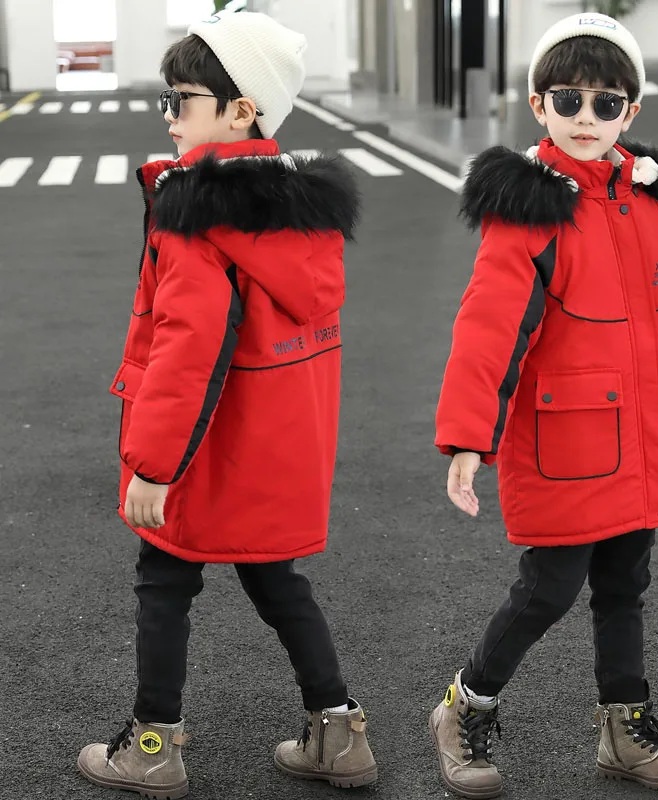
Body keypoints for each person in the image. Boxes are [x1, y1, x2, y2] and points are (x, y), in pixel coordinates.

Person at [430, 12, 658, 799]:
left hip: (643, 433)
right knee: (548, 589)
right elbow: (489, 330)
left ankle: (625, 729)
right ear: (538, 105)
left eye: (606, 103)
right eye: (568, 100)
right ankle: (464, 706)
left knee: (626, 585)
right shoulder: (529, 211)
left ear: (631, 111)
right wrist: (469, 438)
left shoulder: (649, 203)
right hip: (564, 442)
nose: (587, 117)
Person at [76, 11, 377, 797]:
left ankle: (152, 745)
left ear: (243, 109)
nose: (169, 116)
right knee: (276, 581)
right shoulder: (298, 211)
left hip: (204, 450)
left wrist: (153, 465)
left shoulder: (197, 215)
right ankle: (338, 733)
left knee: (163, 581)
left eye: (182, 100)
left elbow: (188, 349)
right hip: (273, 449)